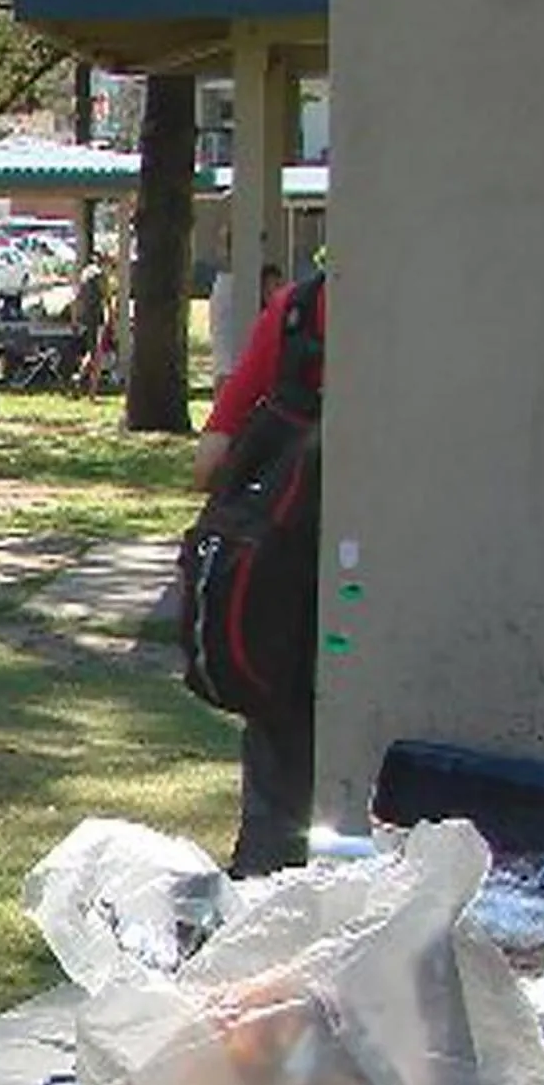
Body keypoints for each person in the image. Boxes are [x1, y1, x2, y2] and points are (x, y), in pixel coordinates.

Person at [195, 267, 329, 875]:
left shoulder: (297, 311)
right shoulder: (422, 305)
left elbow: (209, 462)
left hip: (282, 582)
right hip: (388, 576)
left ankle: (264, 880)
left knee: (279, 750)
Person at [71, 258, 112, 398]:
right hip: (98, 318)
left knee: (92, 351)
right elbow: (107, 298)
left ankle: (78, 377)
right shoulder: (100, 276)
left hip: (86, 318)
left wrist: (74, 319)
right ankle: (92, 391)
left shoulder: (85, 274)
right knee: (98, 355)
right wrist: (111, 317)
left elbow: (76, 298)